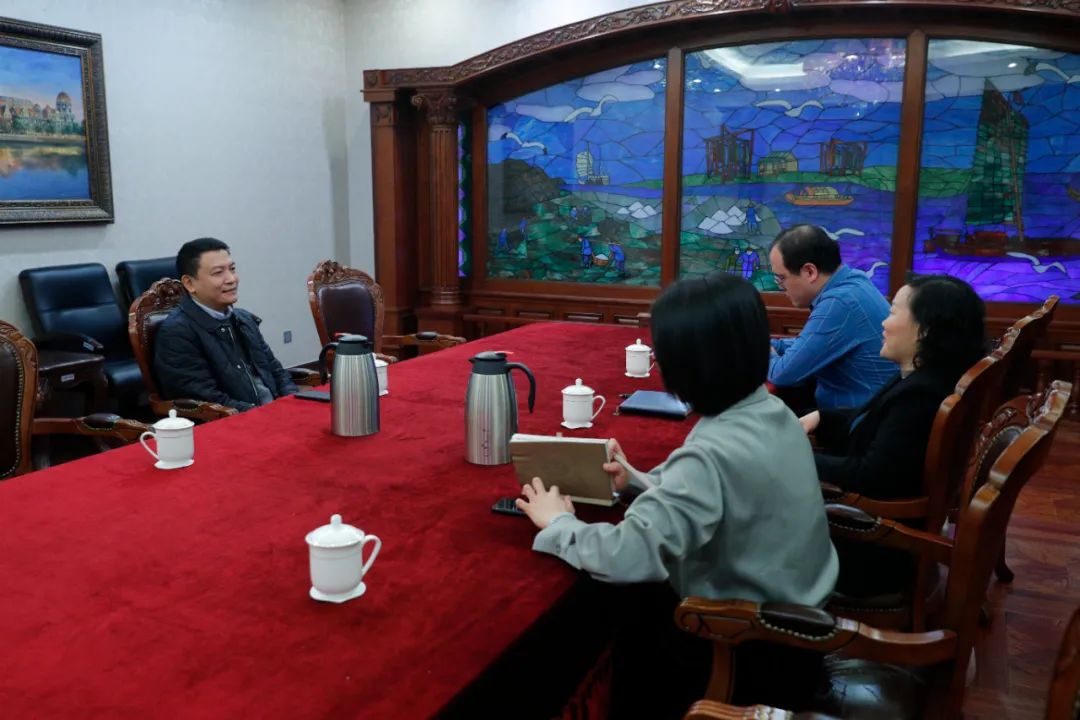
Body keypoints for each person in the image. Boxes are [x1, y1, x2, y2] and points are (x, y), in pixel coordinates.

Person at [517, 273, 838, 716]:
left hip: (746, 648)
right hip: (800, 628)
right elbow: (714, 495)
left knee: (611, 613)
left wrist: (559, 523)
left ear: (688, 366)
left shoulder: (710, 452)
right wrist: (633, 480)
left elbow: (627, 555)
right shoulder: (772, 409)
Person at [800, 275, 985, 596]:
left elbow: (870, 476)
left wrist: (794, 456)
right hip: (878, 535)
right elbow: (874, 422)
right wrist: (822, 417)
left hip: (870, 549)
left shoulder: (921, 397)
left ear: (924, 330)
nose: (883, 323)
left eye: (893, 312)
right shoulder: (924, 378)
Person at [154, 237, 298, 412]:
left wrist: (293, 403)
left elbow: (277, 372)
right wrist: (267, 414)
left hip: (275, 412)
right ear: (189, 283)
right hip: (239, 421)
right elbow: (207, 400)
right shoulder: (178, 332)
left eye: (232, 269)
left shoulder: (244, 319)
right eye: (218, 273)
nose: (231, 279)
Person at [768, 224, 895, 410]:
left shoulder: (840, 302)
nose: (781, 288)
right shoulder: (854, 280)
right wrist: (773, 344)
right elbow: (809, 345)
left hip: (860, 420)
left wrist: (762, 350)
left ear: (810, 272)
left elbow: (781, 375)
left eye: (781, 279)